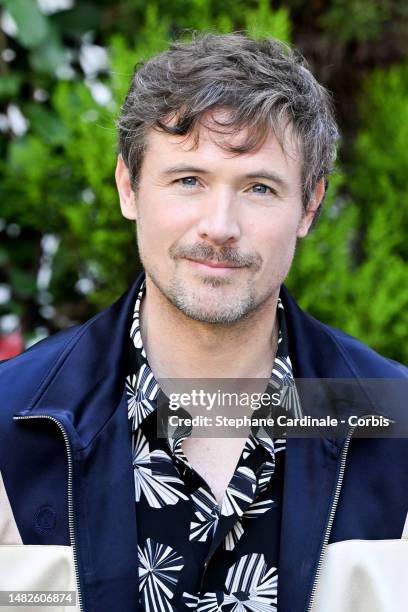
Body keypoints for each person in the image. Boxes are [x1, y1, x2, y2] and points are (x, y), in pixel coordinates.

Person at [0, 32, 407, 612]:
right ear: (129, 187)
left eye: (259, 187)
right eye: (189, 179)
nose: (220, 226)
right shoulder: (12, 425)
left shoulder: (398, 425)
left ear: (309, 207)